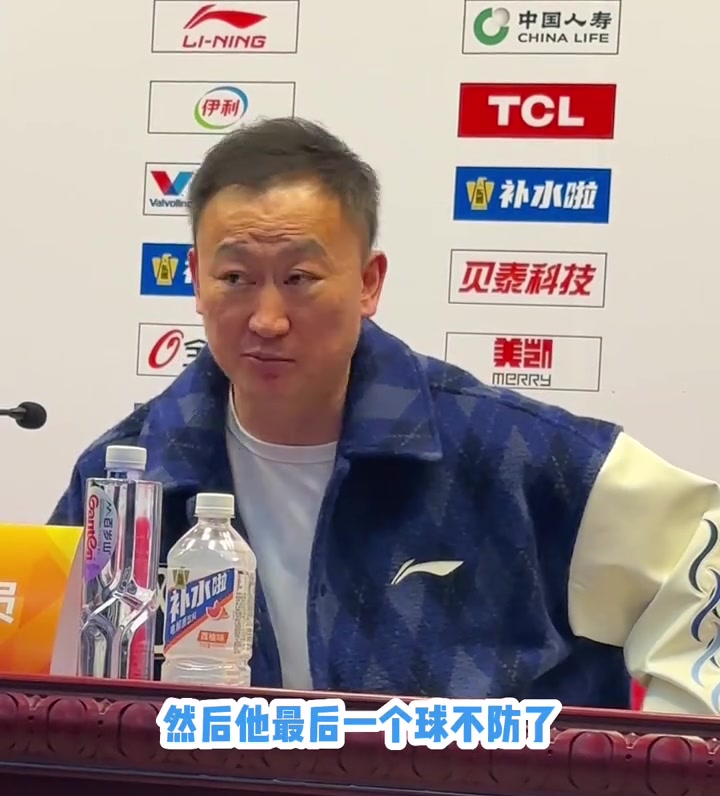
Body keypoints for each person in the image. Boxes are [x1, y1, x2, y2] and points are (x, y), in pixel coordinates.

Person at [50, 117, 720, 716]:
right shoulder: (128, 481)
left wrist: (672, 759)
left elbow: (699, 546)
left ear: (369, 282)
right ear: (195, 278)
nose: (267, 319)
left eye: (299, 279)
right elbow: (42, 688)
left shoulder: (507, 454)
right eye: (235, 279)